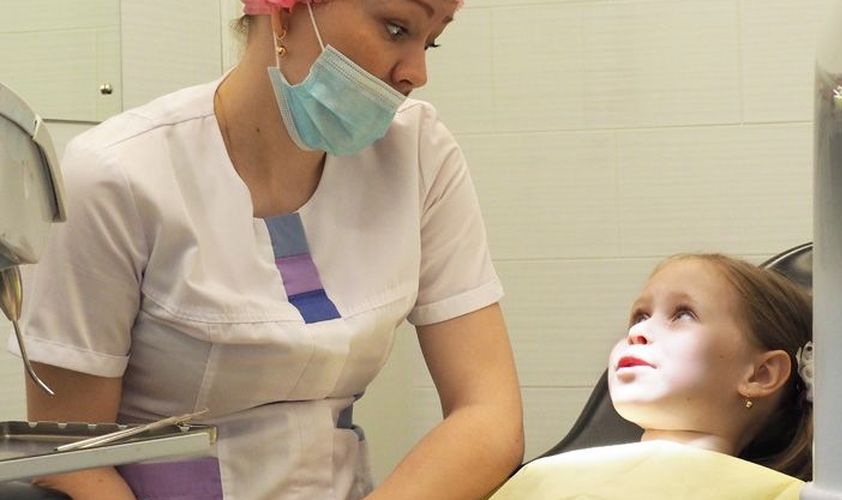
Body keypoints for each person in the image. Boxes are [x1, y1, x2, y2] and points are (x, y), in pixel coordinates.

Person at [10, 1, 523, 499]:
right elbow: (71, 462)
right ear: (284, 12)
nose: (416, 73)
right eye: (396, 29)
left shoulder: (418, 151)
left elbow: (488, 415)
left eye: (431, 41)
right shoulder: (114, 176)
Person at [489, 254, 813, 499]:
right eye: (639, 316)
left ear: (761, 374)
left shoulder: (784, 495)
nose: (638, 332)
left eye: (683, 314)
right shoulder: (541, 477)